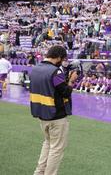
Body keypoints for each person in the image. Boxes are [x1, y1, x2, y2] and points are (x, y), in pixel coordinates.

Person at [30, 45, 78, 175]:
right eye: (62, 60)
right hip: (56, 116)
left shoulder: (35, 69)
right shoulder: (55, 72)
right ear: (58, 57)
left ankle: (39, 172)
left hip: (42, 115)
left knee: (47, 143)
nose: (62, 63)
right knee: (56, 149)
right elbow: (65, 92)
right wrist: (71, 81)